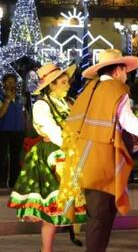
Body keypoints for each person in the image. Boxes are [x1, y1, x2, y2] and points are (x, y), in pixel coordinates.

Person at [57, 49, 138, 252]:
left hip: (82, 159)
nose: (126, 75)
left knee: (95, 215)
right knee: (102, 217)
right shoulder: (116, 90)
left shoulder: (89, 89)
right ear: (118, 70)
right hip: (103, 161)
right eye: (125, 70)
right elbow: (129, 123)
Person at [7, 64, 85, 251]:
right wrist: (71, 145)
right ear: (52, 85)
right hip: (51, 155)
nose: (68, 86)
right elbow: (53, 130)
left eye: (68, 82)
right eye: (64, 82)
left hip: (70, 154)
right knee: (52, 207)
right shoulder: (42, 105)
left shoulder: (68, 102)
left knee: (66, 206)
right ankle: (46, 249)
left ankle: (66, 236)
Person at [0, 73, 27, 189]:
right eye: (8, 81)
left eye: (13, 81)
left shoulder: (20, 98)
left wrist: (25, 127)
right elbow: (1, 114)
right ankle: (1, 183)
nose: (11, 84)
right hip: (4, 131)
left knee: (16, 158)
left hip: (19, 132)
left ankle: (14, 183)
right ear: (3, 83)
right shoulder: (0, 96)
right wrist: (7, 100)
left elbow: (23, 114)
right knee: (2, 158)